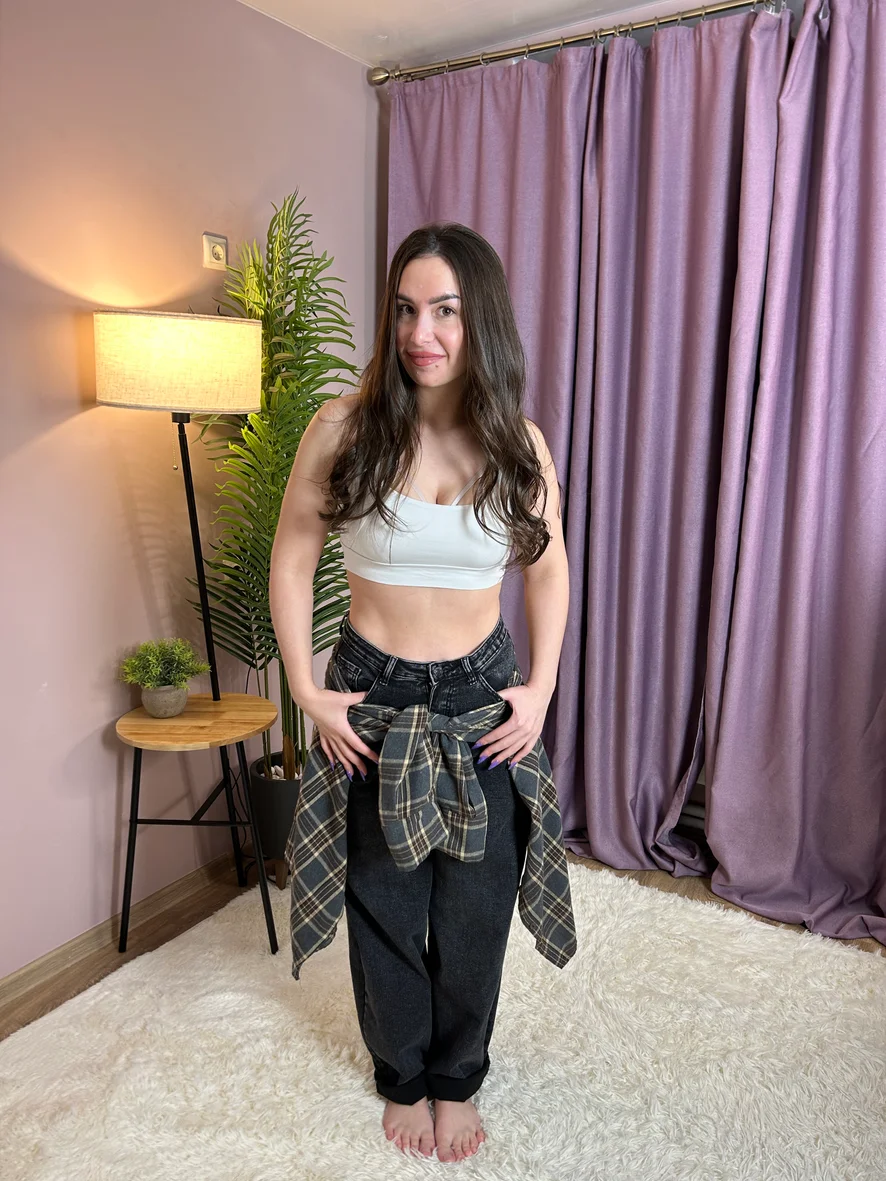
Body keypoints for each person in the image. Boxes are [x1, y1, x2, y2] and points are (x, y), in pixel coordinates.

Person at [269, 222, 576, 1164]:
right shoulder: (344, 427)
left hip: (482, 692)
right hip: (373, 690)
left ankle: (459, 1075)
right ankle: (402, 1073)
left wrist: (540, 688)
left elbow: (549, 569)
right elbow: (291, 554)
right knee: (386, 897)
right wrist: (306, 688)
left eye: (445, 310)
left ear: (481, 320)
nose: (421, 333)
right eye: (406, 309)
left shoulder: (518, 443)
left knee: (477, 905)